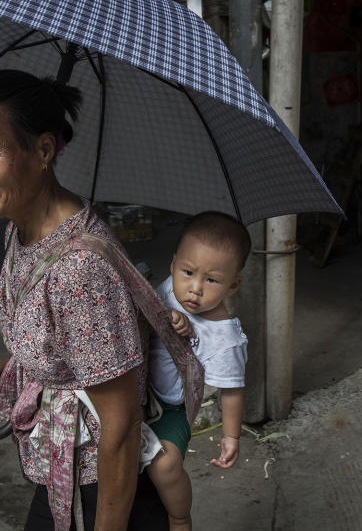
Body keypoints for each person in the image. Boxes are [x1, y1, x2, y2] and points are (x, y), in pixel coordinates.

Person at [0, 69, 202, 531]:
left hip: (102, 484)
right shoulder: (20, 232)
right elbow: (59, 351)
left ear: (43, 150)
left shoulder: (78, 270)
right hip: (59, 464)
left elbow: (120, 426)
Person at [146, 212, 250, 531]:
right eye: (188, 272)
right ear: (174, 264)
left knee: (164, 465)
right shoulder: (167, 289)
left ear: (232, 285)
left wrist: (230, 436)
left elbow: (232, 391)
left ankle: (179, 518)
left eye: (212, 280)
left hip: (172, 408)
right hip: (137, 387)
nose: (194, 289)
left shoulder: (225, 337)